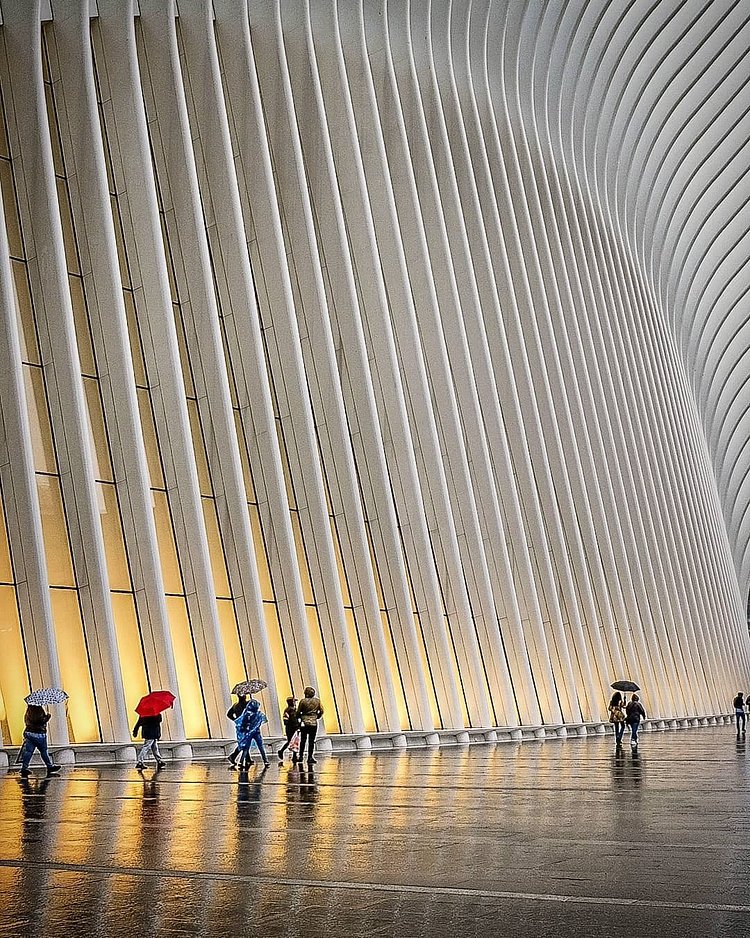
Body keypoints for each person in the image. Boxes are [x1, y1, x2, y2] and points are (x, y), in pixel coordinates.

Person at [19, 704, 60, 778]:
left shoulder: (28, 711)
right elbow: (39, 720)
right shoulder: (38, 709)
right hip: (39, 734)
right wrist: (47, 717)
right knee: (43, 751)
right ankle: (49, 766)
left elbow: (26, 721)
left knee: (28, 751)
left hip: (29, 733)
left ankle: (24, 768)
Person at [235, 699, 269, 768]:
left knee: (246, 748)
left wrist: (244, 729)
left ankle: (241, 762)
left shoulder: (247, 714)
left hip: (248, 732)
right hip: (256, 732)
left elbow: (243, 723)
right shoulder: (259, 714)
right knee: (261, 747)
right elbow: (262, 721)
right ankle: (265, 761)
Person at [296, 686, 323, 765]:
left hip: (304, 722)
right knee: (311, 741)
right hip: (313, 723)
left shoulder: (303, 701)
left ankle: (300, 756)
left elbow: (298, 712)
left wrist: (300, 717)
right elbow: (321, 711)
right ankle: (310, 757)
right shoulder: (317, 701)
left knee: (303, 740)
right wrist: (317, 717)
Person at [226, 694, 248, 766]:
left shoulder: (235, 705)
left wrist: (235, 720)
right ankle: (233, 756)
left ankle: (248, 758)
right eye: (245, 695)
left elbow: (229, 714)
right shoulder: (246, 704)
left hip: (240, 725)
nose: (246, 696)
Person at [277, 696, 299, 762]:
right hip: (292, 728)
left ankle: (294, 756)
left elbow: (285, 720)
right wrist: (297, 726)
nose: (295, 703)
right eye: (294, 701)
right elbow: (293, 719)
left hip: (288, 728)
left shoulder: (287, 710)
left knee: (292, 741)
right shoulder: (292, 710)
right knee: (294, 741)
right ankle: (282, 751)